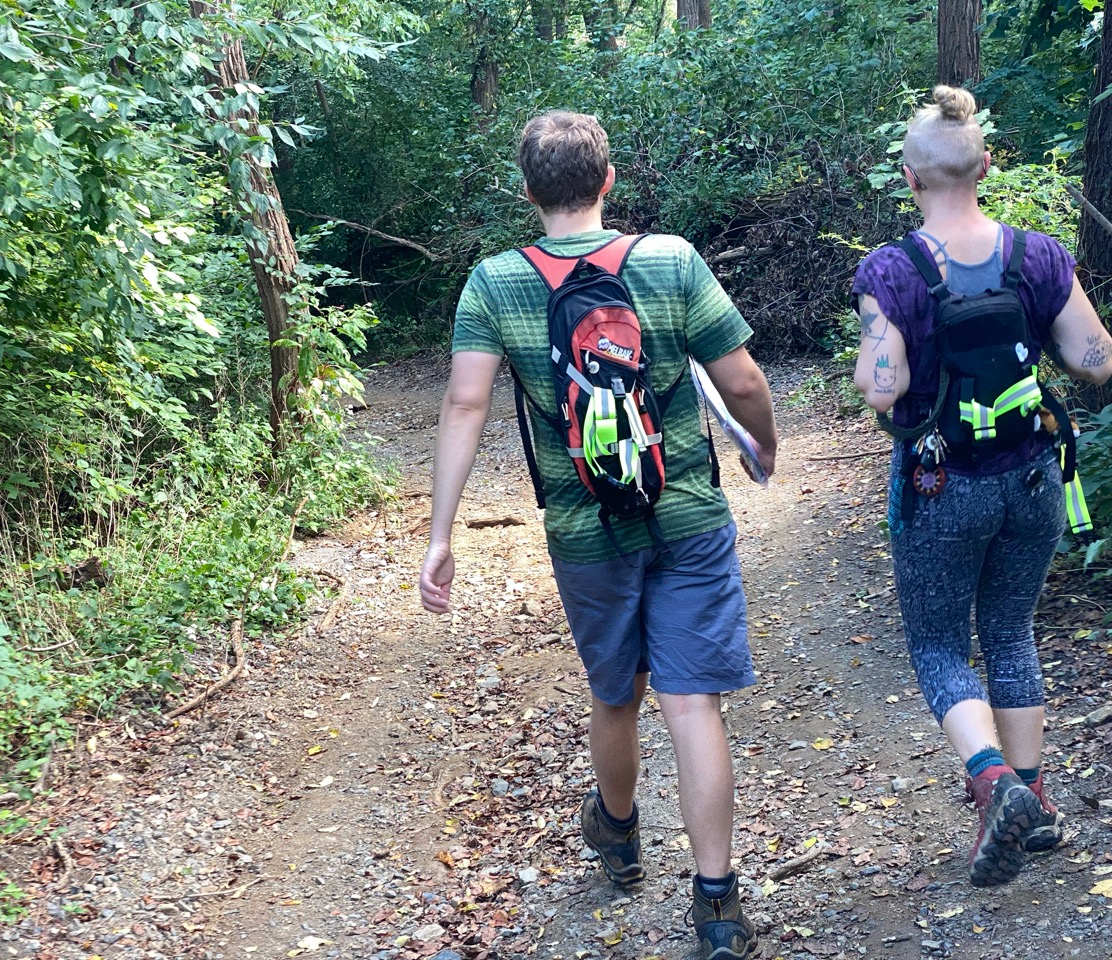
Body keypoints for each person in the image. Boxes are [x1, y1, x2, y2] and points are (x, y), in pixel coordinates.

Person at [420, 110, 777, 959]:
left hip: (585, 529)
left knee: (617, 693)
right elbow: (742, 380)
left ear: (527, 192)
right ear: (608, 180)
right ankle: (718, 908)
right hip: (687, 514)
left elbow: (465, 403)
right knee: (692, 703)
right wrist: (763, 443)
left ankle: (616, 833)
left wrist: (441, 533)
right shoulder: (670, 260)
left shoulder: (494, 284)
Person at [852, 86, 1112, 887]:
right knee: (1009, 629)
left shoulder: (891, 270)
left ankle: (994, 781)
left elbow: (883, 389)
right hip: (1033, 476)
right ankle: (1036, 806)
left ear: (909, 177)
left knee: (937, 644)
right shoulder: (1038, 256)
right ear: (987, 166)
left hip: (941, 484)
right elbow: (1095, 358)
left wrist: (879, 357)